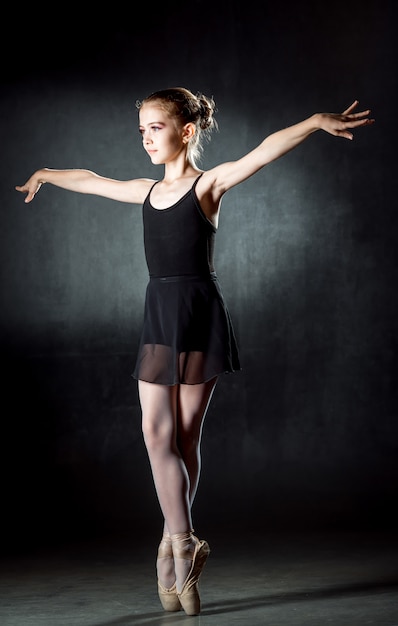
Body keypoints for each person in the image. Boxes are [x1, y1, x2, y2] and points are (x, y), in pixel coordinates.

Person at [15, 87, 374, 615]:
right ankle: (183, 542)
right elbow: (93, 182)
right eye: (140, 130)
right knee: (155, 433)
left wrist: (313, 122)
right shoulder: (144, 190)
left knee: (184, 437)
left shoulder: (207, 186)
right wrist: (46, 173)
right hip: (159, 316)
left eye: (154, 128)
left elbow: (263, 151)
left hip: (200, 313)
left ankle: (170, 548)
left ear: (186, 130)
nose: (145, 138)